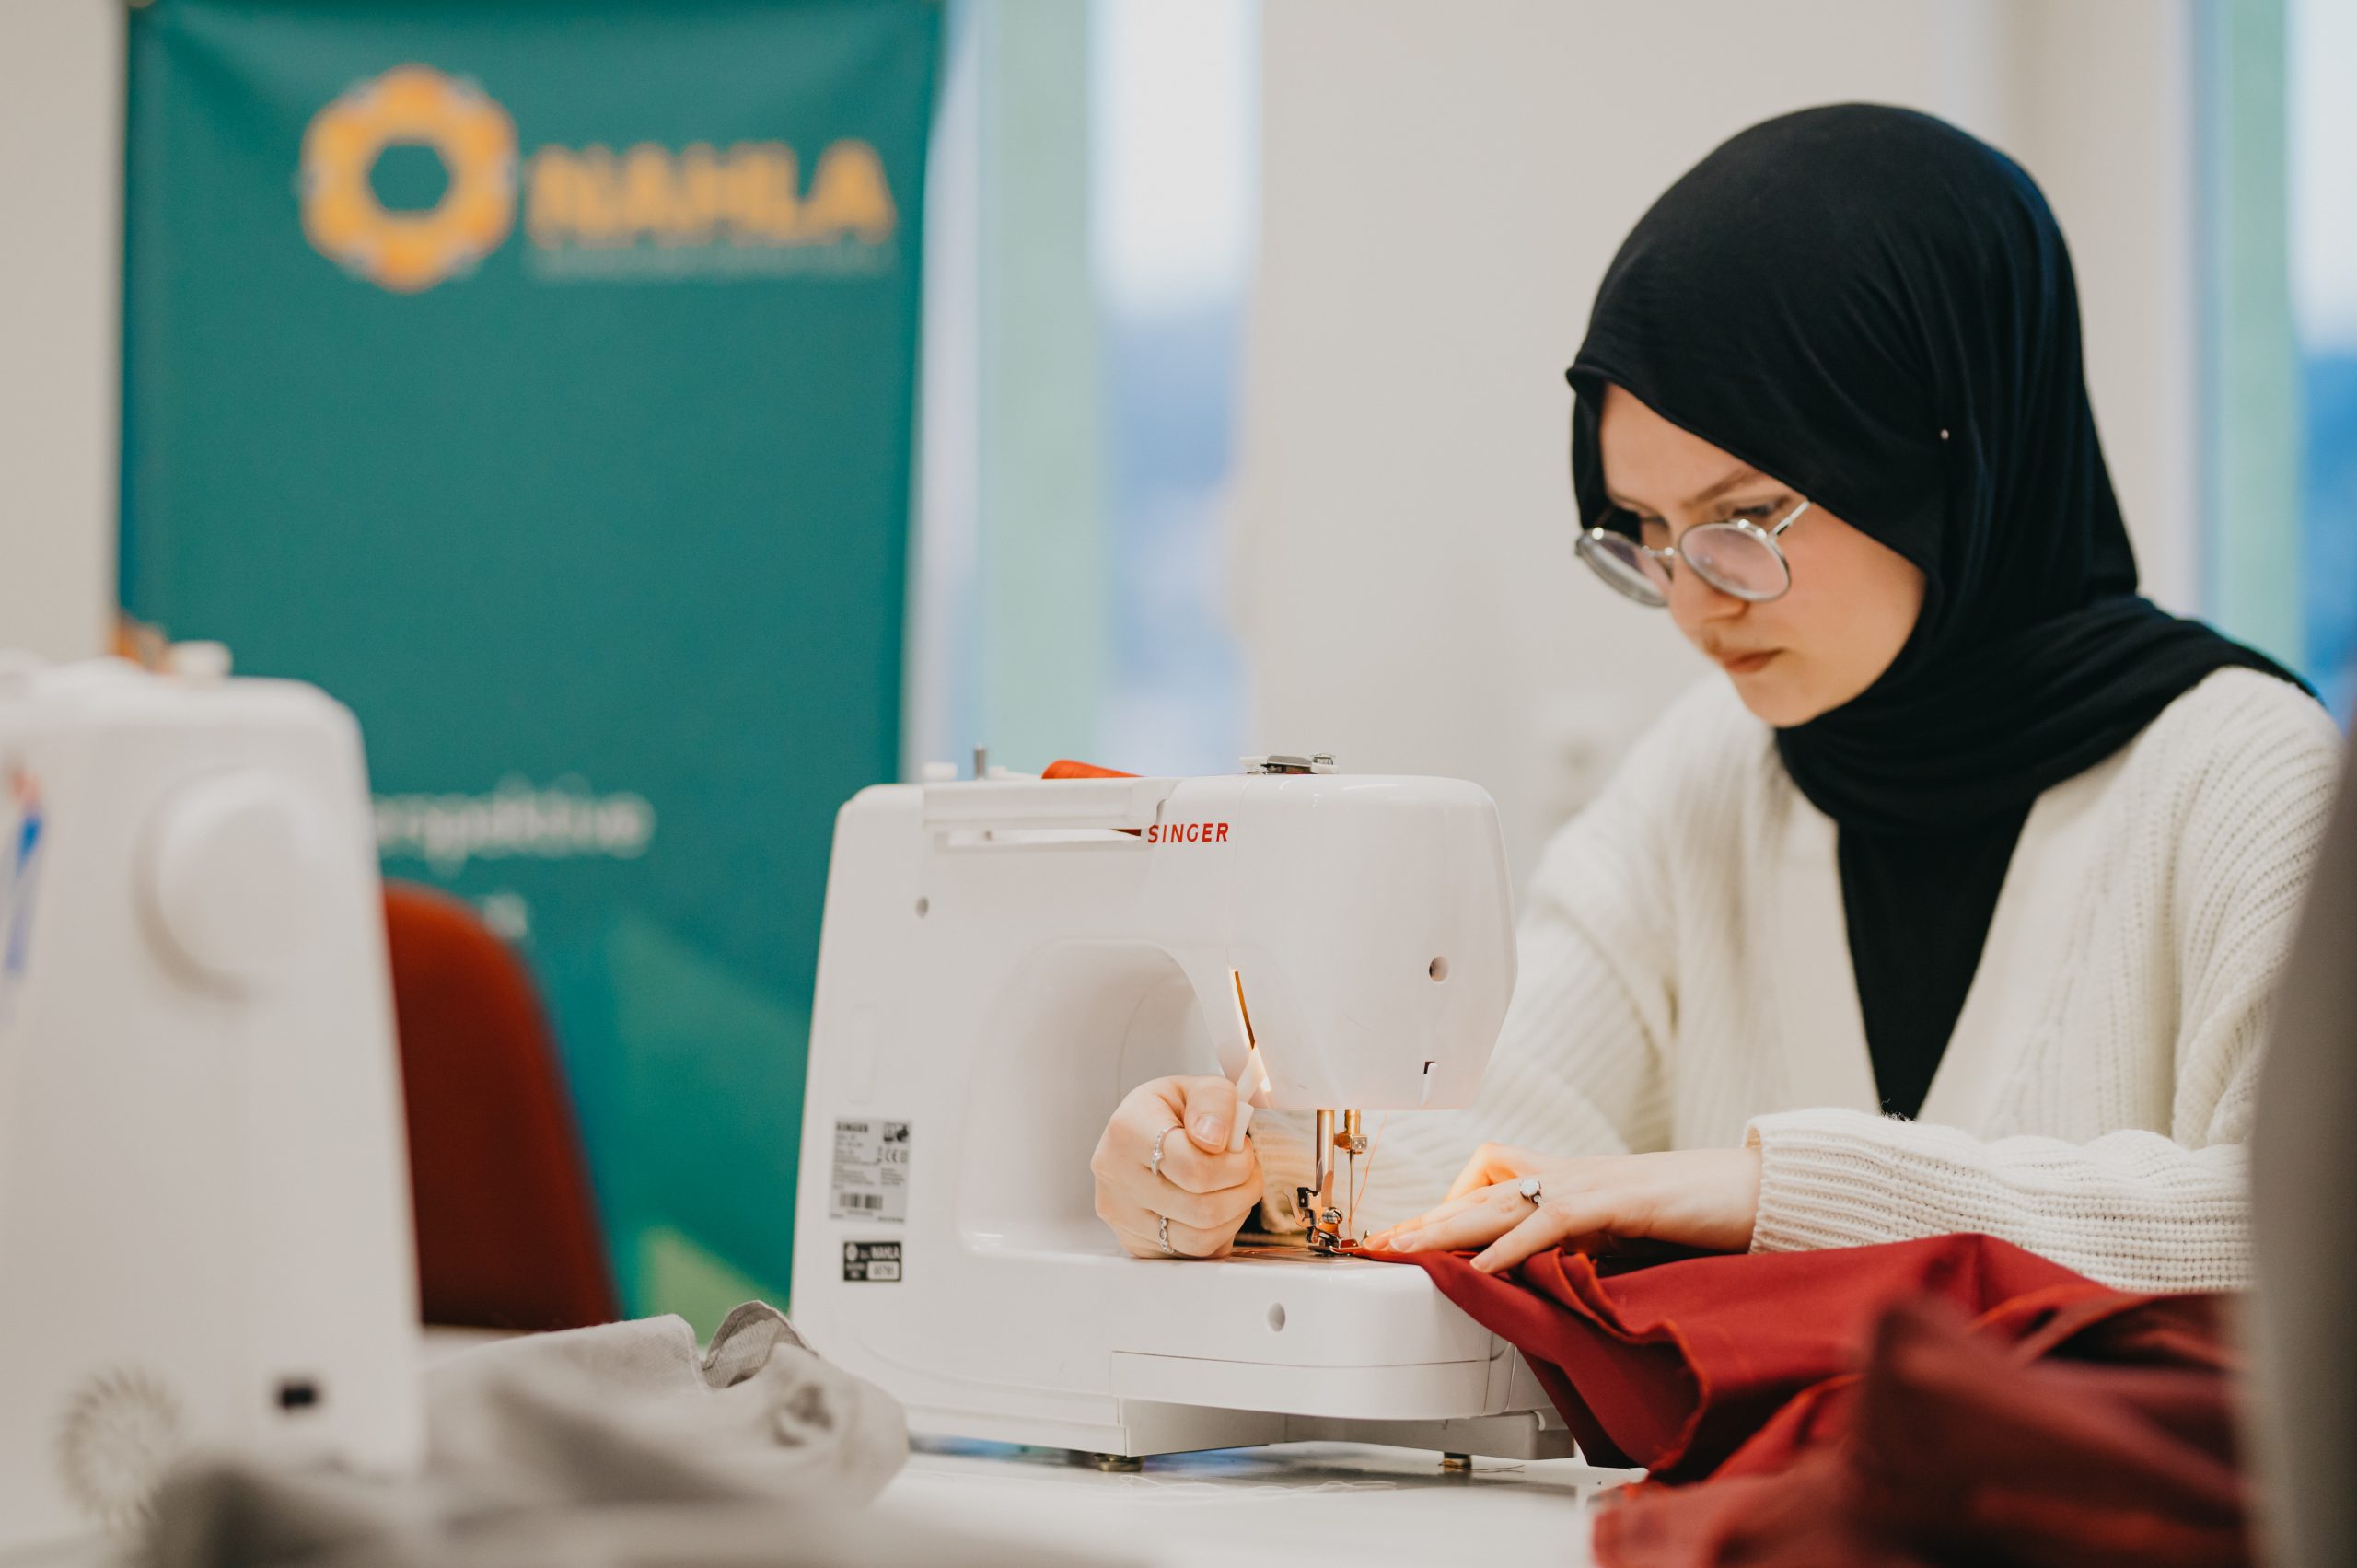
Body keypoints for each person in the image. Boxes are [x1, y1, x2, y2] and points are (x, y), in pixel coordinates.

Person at [1089, 104, 2341, 1293]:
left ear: (1941, 453)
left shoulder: (2244, 777)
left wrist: (1768, 1192)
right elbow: (1501, 1138)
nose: (1695, 605)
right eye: (1644, 531)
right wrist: (1247, 1174)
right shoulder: (1711, 775)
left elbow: (2295, 1228)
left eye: (1743, 520)